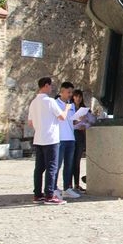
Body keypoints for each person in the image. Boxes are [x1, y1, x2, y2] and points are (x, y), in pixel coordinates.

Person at [28, 77, 71, 205]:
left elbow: (30, 123)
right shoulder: (50, 101)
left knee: (39, 168)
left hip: (39, 137)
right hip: (51, 138)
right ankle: (49, 195)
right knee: (52, 167)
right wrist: (67, 108)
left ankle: (37, 194)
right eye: (51, 86)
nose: (51, 88)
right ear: (46, 85)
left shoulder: (33, 102)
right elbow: (62, 117)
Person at [53, 81, 80, 199]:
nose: (70, 95)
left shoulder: (72, 105)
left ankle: (67, 188)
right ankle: (53, 188)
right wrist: (67, 109)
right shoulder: (55, 104)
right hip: (60, 138)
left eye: (71, 92)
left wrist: (80, 119)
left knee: (69, 165)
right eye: (68, 92)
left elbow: (72, 121)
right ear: (62, 91)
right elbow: (60, 118)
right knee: (57, 165)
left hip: (71, 138)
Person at [71, 88, 97, 193]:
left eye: (79, 96)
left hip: (80, 135)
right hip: (71, 135)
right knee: (70, 161)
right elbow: (68, 123)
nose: (77, 98)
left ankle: (76, 184)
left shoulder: (84, 110)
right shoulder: (70, 108)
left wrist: (85, 124)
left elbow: (92, 121)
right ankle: (68, 184)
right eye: (76, 96)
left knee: (77, 160)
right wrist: (77, 123)